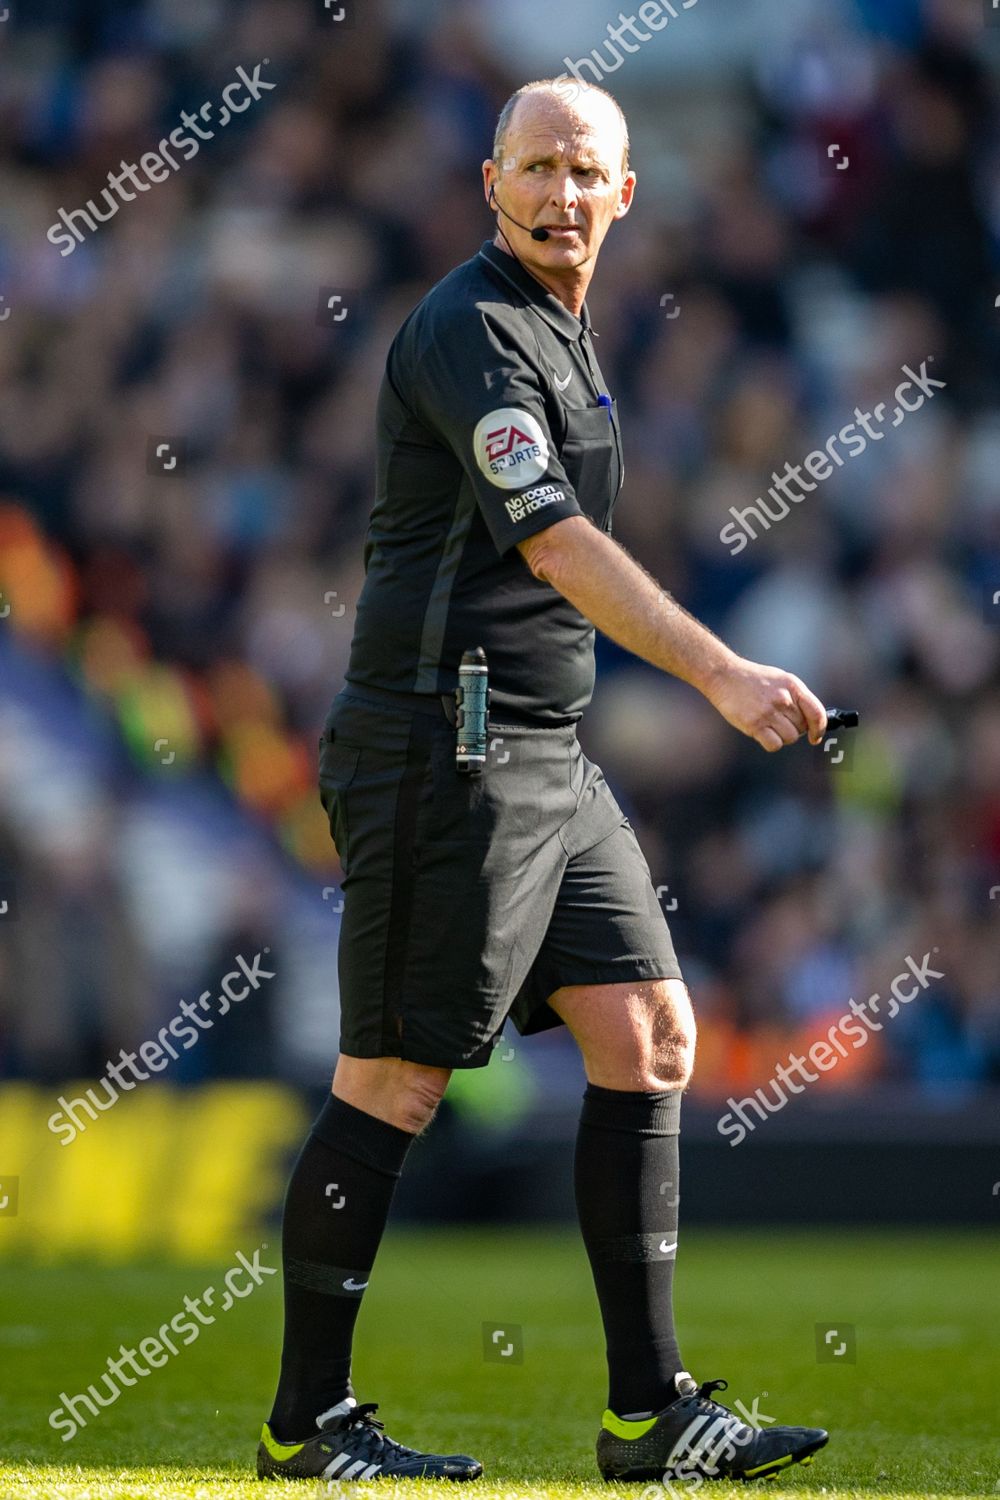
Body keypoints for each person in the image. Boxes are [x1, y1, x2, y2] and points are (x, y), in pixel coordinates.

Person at [257, 78, 829, 1484]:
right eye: (539, 168)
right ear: (490, 184)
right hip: (437, 746)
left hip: (543, 754)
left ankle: (652, 1416)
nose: (564, 193)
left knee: (650, 1036)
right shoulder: (470, 330)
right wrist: (721, 676)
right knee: (394, 1081)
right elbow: (556, 547)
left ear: (625, 194)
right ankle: (305, 1430)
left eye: (589, 172)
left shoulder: (567, 338)